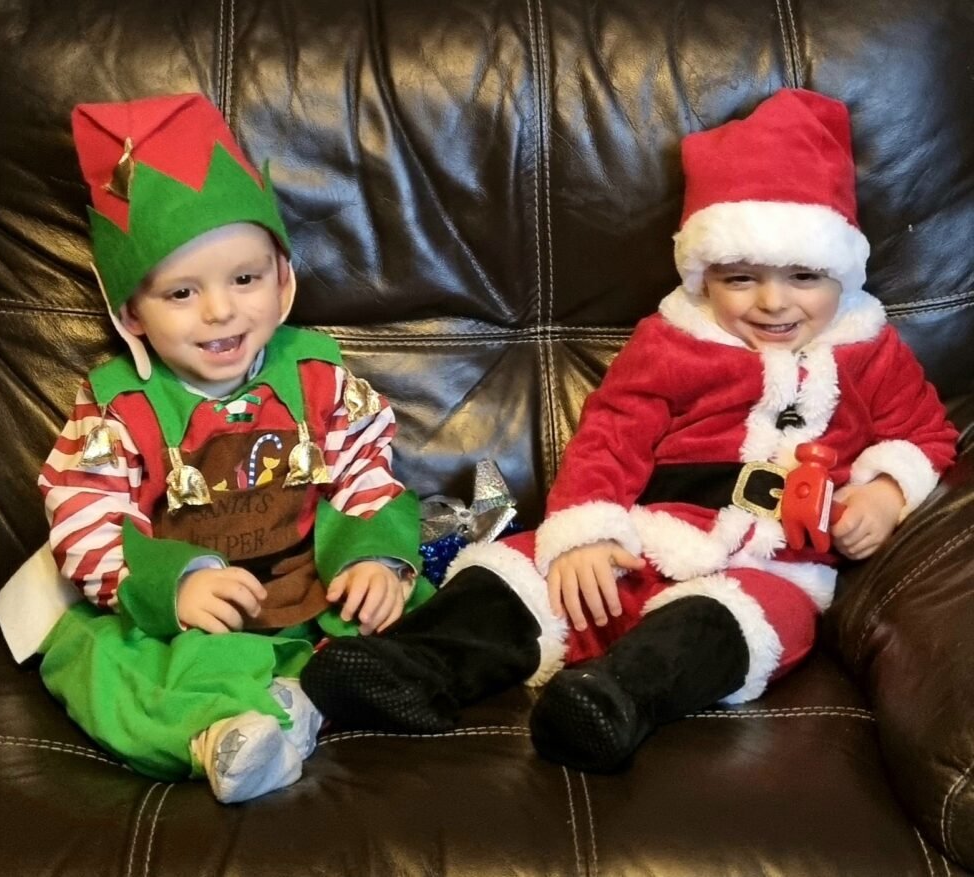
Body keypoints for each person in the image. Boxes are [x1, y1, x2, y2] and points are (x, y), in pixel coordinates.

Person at [301, 88, 958, 773]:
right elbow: (611, 436)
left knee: (739, 623)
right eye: (741, 277)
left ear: (842, 271)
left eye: (803, 276)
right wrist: (585, 534)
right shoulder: (672, 342)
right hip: (649, 536)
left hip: (773, 567)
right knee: (523, 575)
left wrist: (885, 492)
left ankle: (609, 703)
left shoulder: (869, 350)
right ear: (705, 275)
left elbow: (928, 434)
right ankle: (406, 666)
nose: (773, 301)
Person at [35, 93, 433, 802]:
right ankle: (220, 734)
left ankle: (303, 699)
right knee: (86, 654)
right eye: (181, 293)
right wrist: (176, 587)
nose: (220, 311)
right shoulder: (117, 409)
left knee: (420, 612)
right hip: (189, 626)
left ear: (282, 280)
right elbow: (83, 518)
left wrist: (374, 559)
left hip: (312, 598)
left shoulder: (318, 376)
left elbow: (364, 470)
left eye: (244, 279)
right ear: (132, 312)